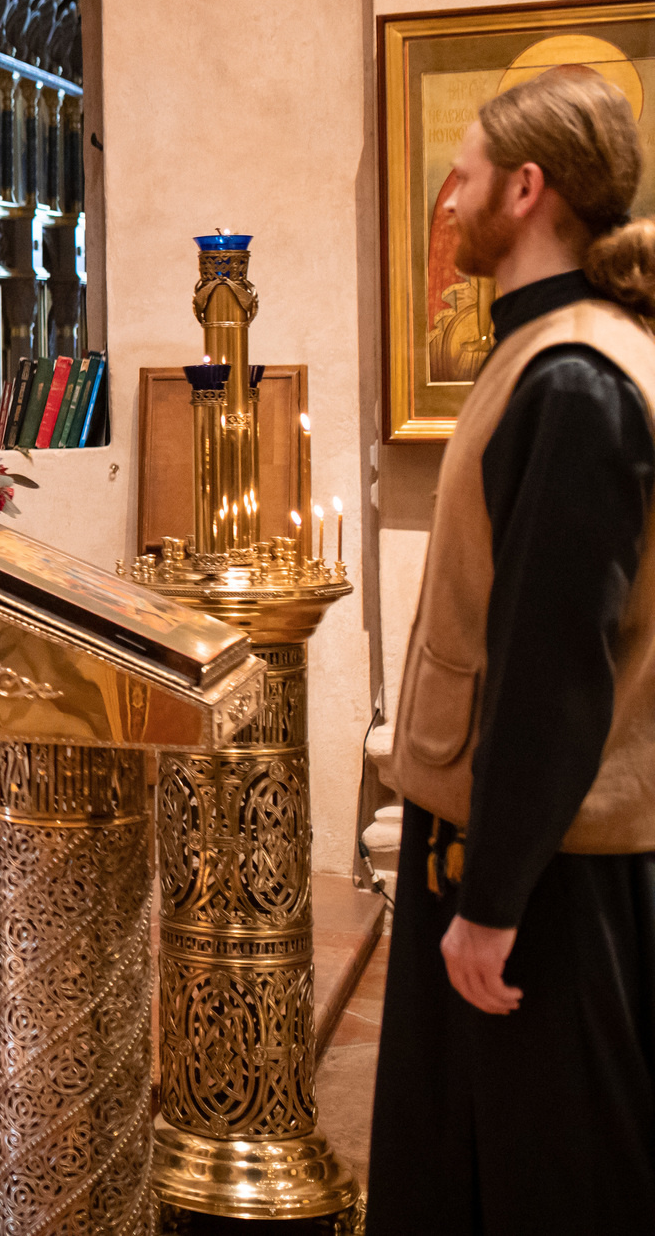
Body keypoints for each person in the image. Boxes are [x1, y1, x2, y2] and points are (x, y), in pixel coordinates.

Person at [369, 64, 655, 1231]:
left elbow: (552, 669)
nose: (447, 205)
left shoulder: (575, 380)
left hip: (545, 877)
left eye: (465, 178)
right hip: (526, 854)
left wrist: (487, 904)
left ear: (526, 190)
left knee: (544, 1186)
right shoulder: (556, 353)